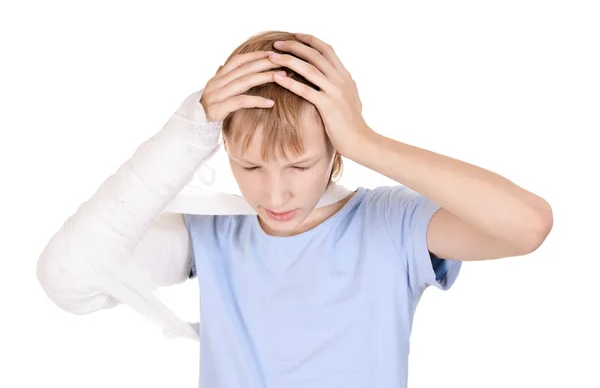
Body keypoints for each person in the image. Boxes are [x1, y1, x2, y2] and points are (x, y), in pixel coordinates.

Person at [36, 30, 553, 387]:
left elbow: (527, 226)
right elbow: (69, 279)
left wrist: (366, 140)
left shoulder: (392, 226)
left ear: (335, 148)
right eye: (251, 167)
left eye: (299, 166)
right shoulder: (213, 233)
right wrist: (187, 130)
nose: (274, 196)